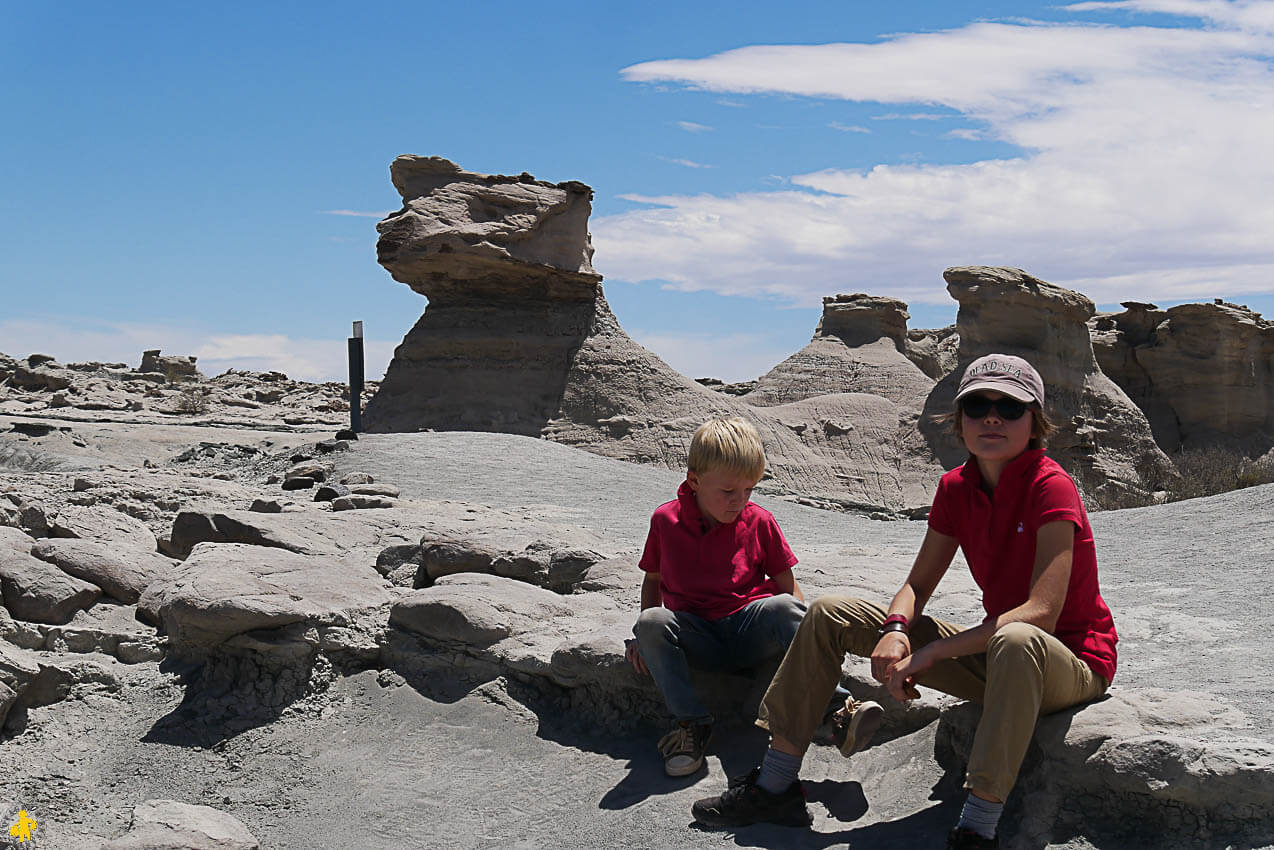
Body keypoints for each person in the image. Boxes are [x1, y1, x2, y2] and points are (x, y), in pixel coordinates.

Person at [691, 354, 1119, 849]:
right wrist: (896, 629)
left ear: (1035, 422)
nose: (992, 418)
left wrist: (933, 651)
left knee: (1018, 637)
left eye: (1011, 407)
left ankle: (978, 828)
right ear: (960, 420)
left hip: (1071, 662)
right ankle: (775, 784)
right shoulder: (956, 488)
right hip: (999, 659)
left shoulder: (1051, 486)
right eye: (978, 405)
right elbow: (918, 584)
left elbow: (1041, 613)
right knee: (830, 611)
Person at [627, 416, 817, 778]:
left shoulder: (760, 521)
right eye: (728, 492)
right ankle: (693, 725)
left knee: (788, 607)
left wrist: (798, 632)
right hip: (698, 637)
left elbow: (788, 588)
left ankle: (837, 706)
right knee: (650, 622)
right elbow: (652, 580)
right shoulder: (665, 521)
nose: (739, 501)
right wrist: (643, 638)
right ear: (694, 480)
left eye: (749, 490)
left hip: (749, 633)